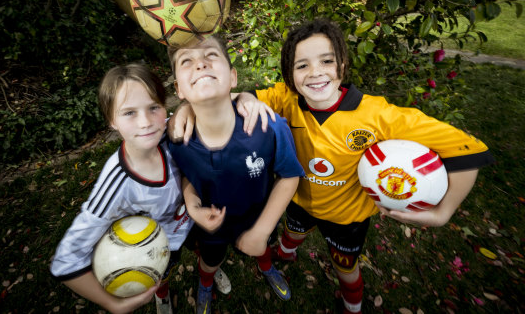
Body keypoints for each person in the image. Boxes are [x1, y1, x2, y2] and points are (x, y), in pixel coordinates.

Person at [170, 19, 494, 314]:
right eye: (302, 65)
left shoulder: (379, 116)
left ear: (342, 63)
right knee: (291, 235)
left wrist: (443, 212)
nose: (315, 72)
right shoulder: (284, 99)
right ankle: (283, 257)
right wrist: (192, 109)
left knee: (346, 268)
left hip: (347, 218)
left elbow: (468, 152)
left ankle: (352, 306)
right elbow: (224, 96)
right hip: (299, 203)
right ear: (289, 73)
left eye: (326, 60)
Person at [167, 35, 305, 314]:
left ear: (232, 77)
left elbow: (289, 175)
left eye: (211, 56)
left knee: (261, 247)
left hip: (257, 216)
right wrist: (191, 204)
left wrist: (263, 229)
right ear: (178, 89)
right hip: (211, 226)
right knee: (210, 260)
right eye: (186, 61)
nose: (200, 64)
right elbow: (185, 174)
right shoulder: (176, 137)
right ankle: (206, 283)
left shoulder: (269, 126)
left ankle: (267, 267)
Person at [50, 64, 196, 314]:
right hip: (158, 246)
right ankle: (162, 295)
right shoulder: (116, 186)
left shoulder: (169, 132)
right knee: (162, 274)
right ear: (111, 121)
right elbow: (66, 261)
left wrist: (188, 108)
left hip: (192, 222)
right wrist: (111, 304)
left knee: (207, 252)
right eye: (129, 113)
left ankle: (208, 275)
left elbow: (207, 107)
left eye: (154, 107)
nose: (146, 122)